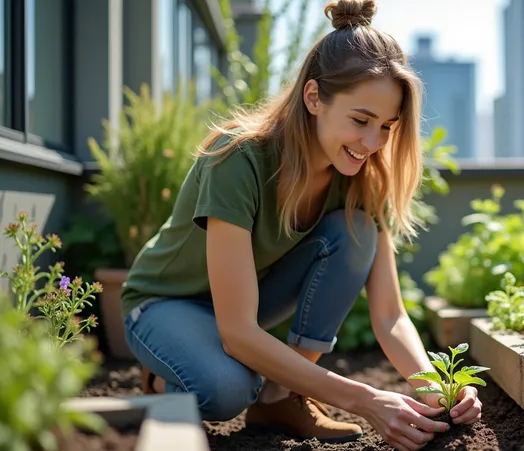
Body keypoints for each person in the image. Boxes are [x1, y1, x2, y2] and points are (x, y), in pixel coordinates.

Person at [119, 1, 482, 450]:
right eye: (360, 120)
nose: (372, 143)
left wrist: (439, 388)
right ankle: (159, 378)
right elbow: (238, 332)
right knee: (227, 390)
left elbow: (389, 315)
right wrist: (365, 399)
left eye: (387, 127)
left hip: (246, 304)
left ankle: (280, 396)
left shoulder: (361, 178)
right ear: (314, 98)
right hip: (165, 303)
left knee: (356, 232)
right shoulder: (239, 159)